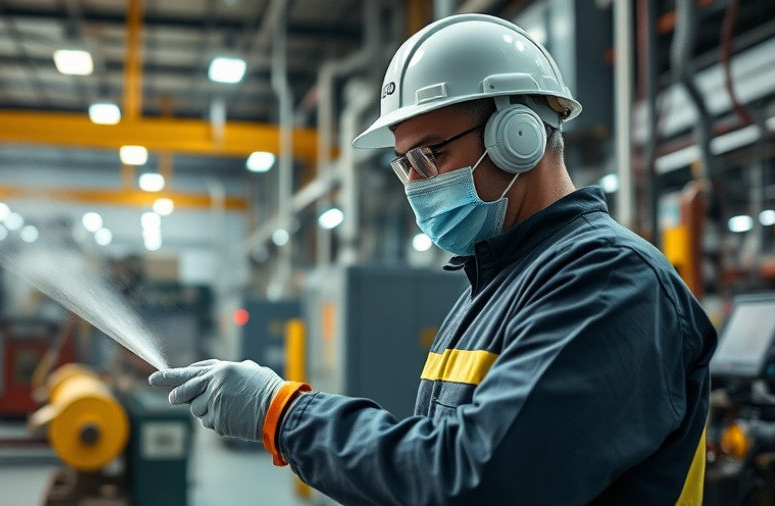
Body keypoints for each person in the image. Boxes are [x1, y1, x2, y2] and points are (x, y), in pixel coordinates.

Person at [150, 14, 717, 505]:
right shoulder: (493, 283)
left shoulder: (608, 282)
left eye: (429, 154)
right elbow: (433, 460)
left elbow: (475, 480)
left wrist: (283, 414)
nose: (415, 183)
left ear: (517, 134)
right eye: (403, 165)